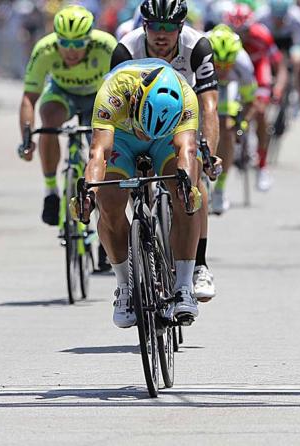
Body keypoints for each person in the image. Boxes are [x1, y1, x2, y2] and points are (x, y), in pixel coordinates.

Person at [110, 0, 220, 302]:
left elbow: (209, 104)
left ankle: (199, 264)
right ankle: (141, 247)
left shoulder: (197, 46)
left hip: (182, 120)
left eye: (169, 27)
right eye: (155, 26)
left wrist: (209, 149)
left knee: (194, 181)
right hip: (135, 124)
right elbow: (115, 104)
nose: (162, 34)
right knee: (128, 185)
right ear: (143, 26)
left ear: (180, 28)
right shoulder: (125, 50)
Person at [79, 59, 202, 327]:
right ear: (135, 100)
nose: (144, 136)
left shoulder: (186, 97)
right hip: (122, 136)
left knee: (186, 195)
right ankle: (124, 286)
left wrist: (187, 185)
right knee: (109, 201)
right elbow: (99, 152)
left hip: (165, 139)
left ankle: (183, 286)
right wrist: (88, 192)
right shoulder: (114, 90)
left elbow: (187, 151)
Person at [18, 4, 116, 227]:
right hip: (62, 95)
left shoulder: (107, 46)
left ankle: (105, 215)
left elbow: (124, 90)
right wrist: (26, 139)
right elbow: (29, 98)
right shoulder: (44, 49)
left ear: (89, 40)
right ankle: (51, 190)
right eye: (65, 43)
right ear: (56, 38)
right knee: (49, 120)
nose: (71, 50)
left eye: (78, 44)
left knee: (103, 142)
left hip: (97, 96)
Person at [224, 3, 289, 192]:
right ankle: (234, 144)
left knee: (260, 113)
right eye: (235, 31)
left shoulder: (262, 35)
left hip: (259, 71)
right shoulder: (225, 38)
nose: (240, 35)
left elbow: (280, 67)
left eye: (244, 31)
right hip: (236, 72)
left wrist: (277, 88)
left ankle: (262, 167)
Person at [207, 24, 257, 215]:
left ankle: (220, 188)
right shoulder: (199, 55)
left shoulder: (243, 63)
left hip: (229, 90)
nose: (221, 71)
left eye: (226, 66)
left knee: (226, 127)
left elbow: (251, 102)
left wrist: (241, 124)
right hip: (202, 84)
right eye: (217, 65)